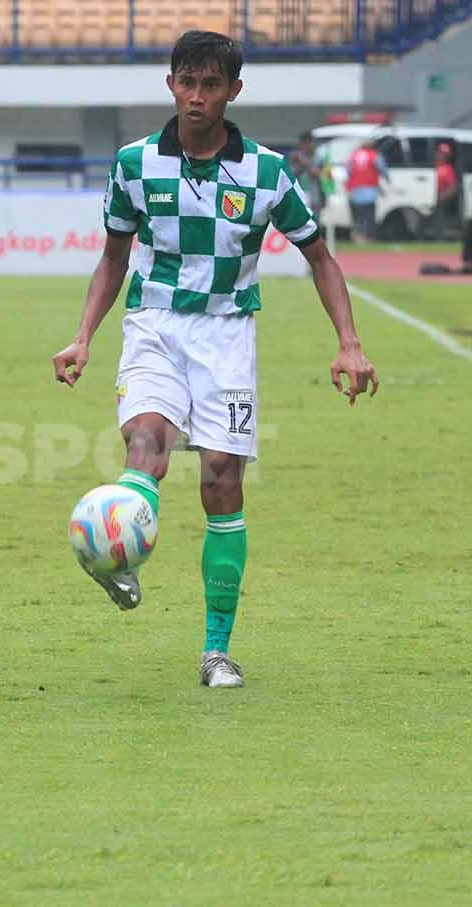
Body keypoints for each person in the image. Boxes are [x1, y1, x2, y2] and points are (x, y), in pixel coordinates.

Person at [50, 31, 378, 690]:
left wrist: (349, 341)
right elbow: (114, 257)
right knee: (147, 441)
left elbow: (320, 258)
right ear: (170, 84)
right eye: (186, 82)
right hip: (156, 324)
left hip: (227, 334)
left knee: (221, 480)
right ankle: (118, 553)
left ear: (234, 91)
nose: (196, 97)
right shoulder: (135, 163)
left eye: (210, 85)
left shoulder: (266, 172)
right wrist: (83, 335)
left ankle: (215, 651)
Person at [345, 139, 389, 241]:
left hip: (355, 189)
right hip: (370, 189)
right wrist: (387, 179)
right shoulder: (374, 155)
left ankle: (357, 235)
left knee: (357, 214)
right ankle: (368, 236)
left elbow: (348, 169)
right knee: (369, 214)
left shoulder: (353, 155)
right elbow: (382, 169)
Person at [288, 130, 325, 219]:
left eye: (309, 143)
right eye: (303, 144)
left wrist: (305, 163)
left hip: (314, 195)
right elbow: (289, 176)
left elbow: (318, 175)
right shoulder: (295, 157)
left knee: (314, 221)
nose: (306, 147)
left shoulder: (318, 157)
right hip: (299, 194)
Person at [432, 142, 461, 238]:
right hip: (428, 196)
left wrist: (442, 196)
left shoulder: (448, 169)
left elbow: (453, 187)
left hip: (441, 197)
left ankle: (438, 237)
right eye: (440, 153)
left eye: (445, 154)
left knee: (439, 218)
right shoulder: (433, 166)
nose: (442, 156)